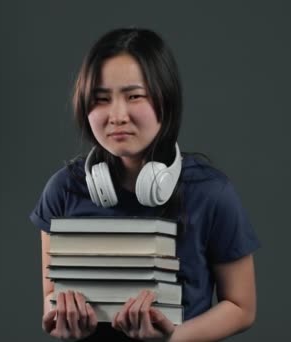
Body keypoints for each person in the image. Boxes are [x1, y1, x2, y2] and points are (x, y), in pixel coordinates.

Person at [30, 27, 260, 341]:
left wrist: (172, 339)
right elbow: (50, 297)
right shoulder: (62, 190)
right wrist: (64, 323)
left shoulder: (212, 193)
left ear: (165, 99)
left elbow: (241, 306)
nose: (117, 115)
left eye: (134, 96)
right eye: (101, 99)